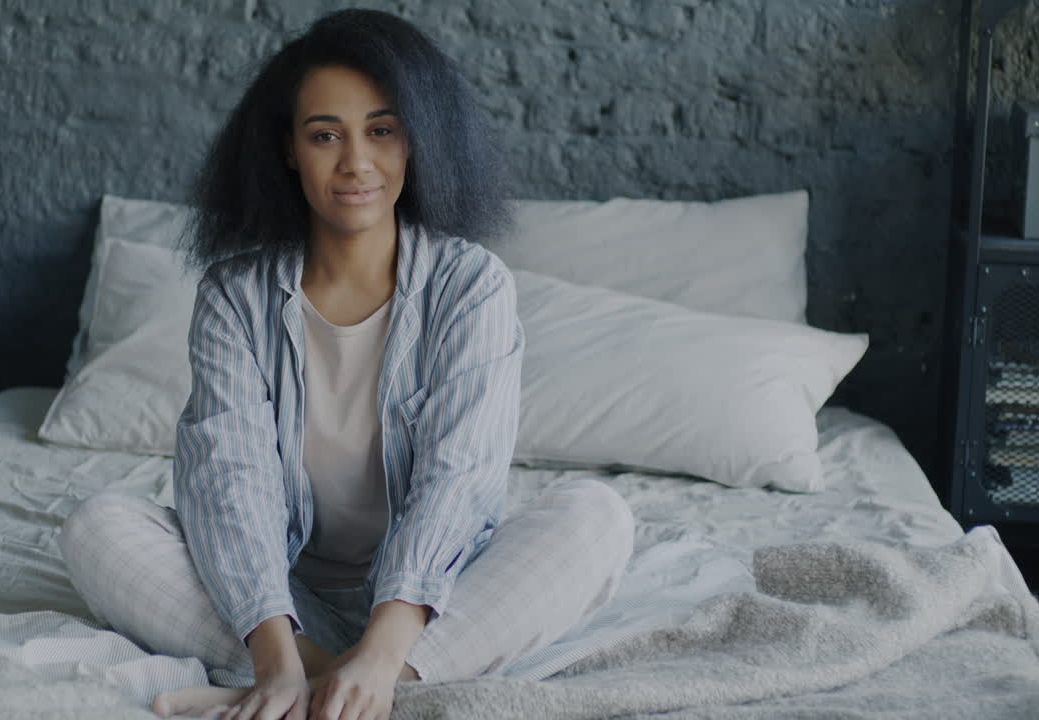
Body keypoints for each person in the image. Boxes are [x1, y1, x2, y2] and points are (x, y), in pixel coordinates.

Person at [57, 8, 634, 720]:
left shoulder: (471, 285)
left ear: (417, 142)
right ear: (290, 151)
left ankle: (351, 682)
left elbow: (460, 482)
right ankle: (336, 686)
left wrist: (384, 645)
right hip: (277, 602)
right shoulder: (233, 298)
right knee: (96, 526)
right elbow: (228, 480)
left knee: (597, 518)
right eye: (325, 135)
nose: (356, 162)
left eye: (382, 131)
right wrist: (274, 653)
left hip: (434, 601)